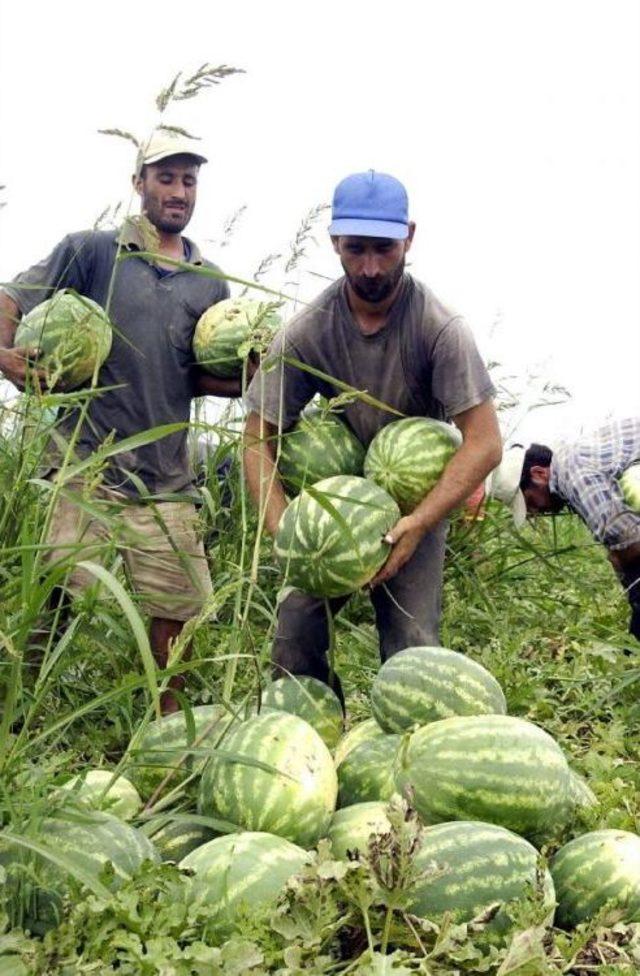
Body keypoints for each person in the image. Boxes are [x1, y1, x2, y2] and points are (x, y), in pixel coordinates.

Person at [0, 129, 242, 712]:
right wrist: (6, 357)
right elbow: (11, 299)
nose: (178, 191)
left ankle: (166, 728)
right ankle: (15, 715)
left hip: (164, 475)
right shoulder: (93, 252)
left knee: (178, 611)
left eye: (188, 180)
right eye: (166, 178)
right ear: (140, 184)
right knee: (53, 596)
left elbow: (201, 375)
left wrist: (248, 377)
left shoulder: (210, 283)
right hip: (84, 463)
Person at [243, 170, 502, 701]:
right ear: (334, 240)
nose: (369, 267)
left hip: (416, 507)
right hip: (335, 507)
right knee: (292, 638)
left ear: (409, 236)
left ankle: (406, 764)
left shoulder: (439, 327)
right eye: (355, 248)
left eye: (383, 249)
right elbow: (256, 437)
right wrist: (283, 529)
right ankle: (309, 744)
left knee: (412, 646)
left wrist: (419, 522)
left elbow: (485, 443)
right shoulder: (308, 329)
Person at [488, 417, 640, 640]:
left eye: (529, 501)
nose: (534, 512)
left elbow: (627, 538)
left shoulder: (572, 472)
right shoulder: (572, 462)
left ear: (539, 474)